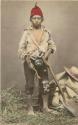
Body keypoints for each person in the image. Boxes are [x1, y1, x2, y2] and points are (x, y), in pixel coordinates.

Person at [18, 4, 56, 115]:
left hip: (42, 61)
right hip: (30, 61)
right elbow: (20, 48)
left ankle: (45, 107)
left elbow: (52, 46)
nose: (36, 20)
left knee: (45, 83)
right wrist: (27, 59)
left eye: (38, 18)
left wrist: (46, 55)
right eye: (34, 18)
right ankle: (30, 110)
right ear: (31, 19)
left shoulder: (47, 32)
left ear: (42, 19)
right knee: (30, 84)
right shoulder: (27, 33)